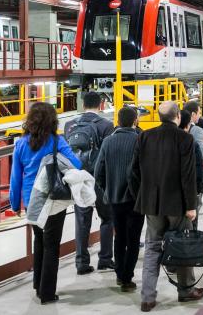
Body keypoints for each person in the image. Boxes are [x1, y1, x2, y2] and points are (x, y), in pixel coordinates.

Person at [130, 101, 203, 312]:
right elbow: (188, 175)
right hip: (178, 204)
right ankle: (186, 290)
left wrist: (141, 196)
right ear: (178, 117)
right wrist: (191, 206)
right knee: (183, 246)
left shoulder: (144, 136)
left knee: (153, 247)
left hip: (151, 205)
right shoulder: (185, 138)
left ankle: (147, 298)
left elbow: (134, 171)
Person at [10, 102, 82, 304]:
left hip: (31, 200)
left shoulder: (21, 144)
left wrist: (15, 204)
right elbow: (76, 164)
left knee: (39, 241)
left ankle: (38, 284)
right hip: (52, 198)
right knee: (51, 245)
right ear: (52, 121)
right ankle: (47, 292)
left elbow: (15, 177)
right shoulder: (56, 141)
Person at [64, 91, 115, 274]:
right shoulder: (107, 125)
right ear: (101, 105)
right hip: (99, 179)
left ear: (83, 105)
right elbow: (108, 154)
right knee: (107, 218)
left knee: (82, 219)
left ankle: (81, 262)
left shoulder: (69, 126)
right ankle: (105, 259)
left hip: (78, 179)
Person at [96, 106, 143, 292]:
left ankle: (119, 274)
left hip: (114, 200)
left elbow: (98, 171)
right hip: (136, 199)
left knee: (120, 238)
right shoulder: (140, 139)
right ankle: (127, 278)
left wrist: (107, 189)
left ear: (118, 121)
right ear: (135, 121)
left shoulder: (108, 142)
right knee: (133, 240)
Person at [179, 110, 203, 229]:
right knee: (191, 226)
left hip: (169, 194)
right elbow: (199, 169)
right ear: (188, 125)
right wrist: (199, 190)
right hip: (190, 192)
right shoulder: (192, 143)